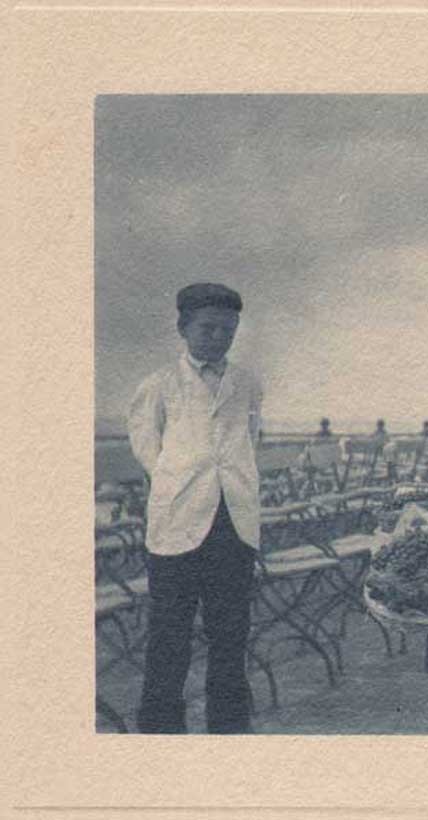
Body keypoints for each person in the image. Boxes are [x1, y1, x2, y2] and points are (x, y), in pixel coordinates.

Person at [127, 283, 262, 733]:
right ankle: (162, 733)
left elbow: (249, 439)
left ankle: (229, 729)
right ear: (183, 328)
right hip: (178, 524)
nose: (219, 337)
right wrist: (184, 480)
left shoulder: (246, 384)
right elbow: (149, 450)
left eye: (229, 329)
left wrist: (229, 483)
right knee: (170, 637)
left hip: (234, 524)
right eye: (208, 328)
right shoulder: (159, 385)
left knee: (230, 636)